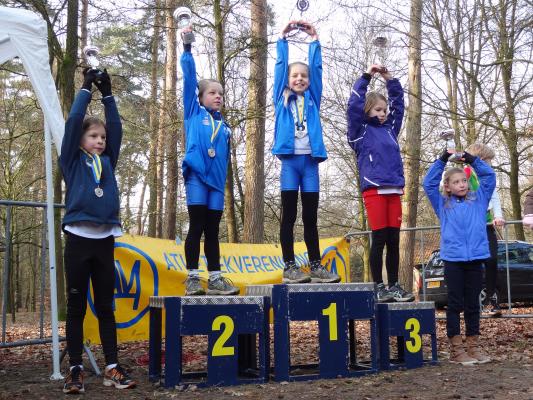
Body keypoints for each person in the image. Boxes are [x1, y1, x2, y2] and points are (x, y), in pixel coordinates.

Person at [60, 69, 135, 393]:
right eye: (94, 137)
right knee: (76, 307)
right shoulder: (72, 161)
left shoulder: (108, 161)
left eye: (102, 138)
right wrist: (84, 89)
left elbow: (115, 128)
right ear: (80, 140)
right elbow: (74, 121)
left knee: (106, 307)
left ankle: (113, 367)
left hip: (105, 239)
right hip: (78, 238)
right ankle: (75, 368)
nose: (101, 141)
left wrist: (108, 95)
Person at [272, 21, 340, 284]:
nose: (299, 79)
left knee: (310, 217)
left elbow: (318, 69)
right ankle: (289, 266)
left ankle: (316, 265)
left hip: (310, 164)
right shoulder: (281, 96)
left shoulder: (313, 97)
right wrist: (282, 40)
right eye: (295, 76)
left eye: (304, 76)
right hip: (290, 163)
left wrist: (314, 40)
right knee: (288, 216)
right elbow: (280, 67)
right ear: (288, 80)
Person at [346, 64, 414, 302]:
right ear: (367, 111)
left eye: (384, 110)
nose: (383, 113)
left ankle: (394, 284)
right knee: (380, 238)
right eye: (377, 109)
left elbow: (399, 104)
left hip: (394, 188)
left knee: (394, 240)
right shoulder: (359, 132)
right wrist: (366, 76)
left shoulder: (390, 130)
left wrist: (389, 79)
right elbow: (353, 107)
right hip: (374, 189)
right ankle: (378, 286)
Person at [180, 27, 239, 296]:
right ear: (201, 98)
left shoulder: (224, 127)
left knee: (213, 230)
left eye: (221, 94)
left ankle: (215, 278)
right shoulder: (194, 114)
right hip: (196, 177)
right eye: (213, 93)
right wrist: (188, 49)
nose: (218, 96)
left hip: (216, 183)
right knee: (197, 226)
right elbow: (190, 79)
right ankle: (193, 277)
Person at [423, 149, 496, 365]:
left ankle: (473, 346)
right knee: (455, 304)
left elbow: (489, 176)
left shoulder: (479, 198)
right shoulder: (442, 204)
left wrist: (473, 160)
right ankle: (457, 349)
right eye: (456, 182)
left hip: (475, 259)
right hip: (453, 260)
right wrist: (442, 159)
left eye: (464, 180)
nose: (462, 184)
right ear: (447, 186)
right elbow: (428, 183)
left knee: (474, 303)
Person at [464, 143, 505, 317]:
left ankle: (491, 298)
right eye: (489, 161)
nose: (490, 165)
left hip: (487, 225)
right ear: (480, 160)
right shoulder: (465, 174)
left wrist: (498, 215)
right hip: (471, 226)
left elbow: (494, 196)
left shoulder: (488, 176)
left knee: (492, 259)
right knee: (473, 263)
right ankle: (474, 301)